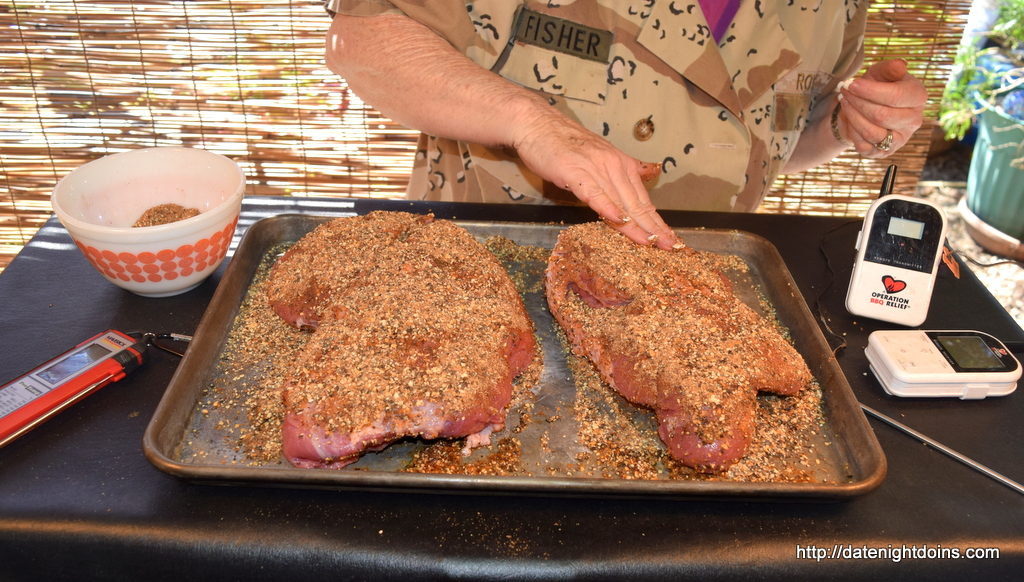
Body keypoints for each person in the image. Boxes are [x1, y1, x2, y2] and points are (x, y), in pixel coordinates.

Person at [323, 1, 927, 249]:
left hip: (699, 286)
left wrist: (851, 125)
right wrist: (530, 120)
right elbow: (366, 36)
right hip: (479, 267)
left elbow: (770, 143)